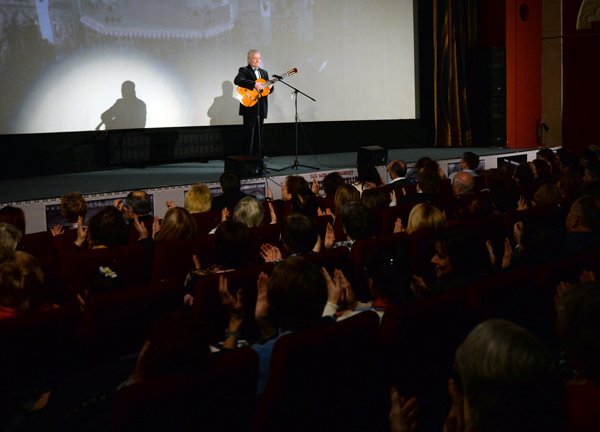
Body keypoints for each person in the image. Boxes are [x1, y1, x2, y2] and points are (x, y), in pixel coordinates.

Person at [234, 49, 273, 156]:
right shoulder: (244, 70)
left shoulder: (264, 73)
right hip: (249, 107)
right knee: (248, 133)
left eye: (259, 59)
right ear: (249, 59)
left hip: (261, 107)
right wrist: (254, 84)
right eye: (255, 59)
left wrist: (270, 87)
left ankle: (257, 158)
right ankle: (246, 158)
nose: (257, 61)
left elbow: (266, 91)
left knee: (259, 134)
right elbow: (237, 80)